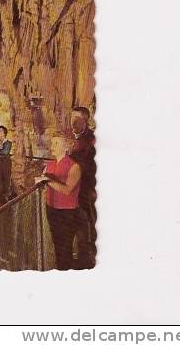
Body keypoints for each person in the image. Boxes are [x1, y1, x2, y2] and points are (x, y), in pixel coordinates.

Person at [36, 135, 84, 270]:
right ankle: (61, 268)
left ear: (65, 147)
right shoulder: (49, 165)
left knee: (65, 245)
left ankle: (65, 271)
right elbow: (42, 182)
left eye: (56, 143)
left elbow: (67, 190)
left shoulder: (74, 167)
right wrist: (40, 182)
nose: (52, 146)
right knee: (56, 242)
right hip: (52, 209)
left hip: (67, 212)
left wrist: (47, 181)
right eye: (52, 143)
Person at [68, 106, 97, 268]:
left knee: (85, 222)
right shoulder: (73, 137)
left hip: (85, 188)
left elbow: (85, 163)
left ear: (86, 121)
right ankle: (81, 254)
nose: (74, 122)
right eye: (72, 118)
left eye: (78, 118)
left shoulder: (90, 140)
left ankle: (86, 258)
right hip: (74, 189)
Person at [0, 125, 13, 203]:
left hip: (5, 163)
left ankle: (6, 196)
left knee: (6, 179)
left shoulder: (8, 143)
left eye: (1, 131)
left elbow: (5, 152)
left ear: (5, 133)